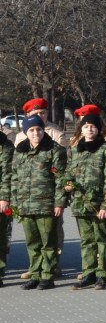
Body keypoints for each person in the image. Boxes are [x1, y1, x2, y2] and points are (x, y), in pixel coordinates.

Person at [10, 116, 67, 289]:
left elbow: (61, 179)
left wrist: (59, 203)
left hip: (46, 204)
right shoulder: (20, 151)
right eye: (31, 130)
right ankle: (35, 274)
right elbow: (14, 177)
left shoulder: (55, 150)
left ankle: (47, 276)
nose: (36, 133)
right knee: (32, 242)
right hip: (26, 205)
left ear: (44, 130)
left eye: (39, 129)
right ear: (26, 133)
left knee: (48, 242)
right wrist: (15, 202)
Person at [66, 110, 106, 290]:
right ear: (81, 129)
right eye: (86, 127)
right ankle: (88, 272)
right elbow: (69, 173)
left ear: (99, 129)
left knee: (102, 239)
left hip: (99, 204)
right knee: (86, 240)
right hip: (80, 204)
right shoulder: (75, 150)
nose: (89, 130)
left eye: (93, 127)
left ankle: (103, 274)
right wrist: (68, 184)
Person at [0, 130, 12, 286]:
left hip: (0, 199)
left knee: (1, 236)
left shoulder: (5, 145)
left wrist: (4, 197)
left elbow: (7, 174)